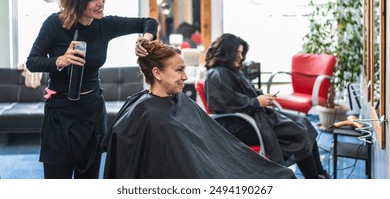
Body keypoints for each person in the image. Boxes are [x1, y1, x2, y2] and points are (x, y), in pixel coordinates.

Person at [25, 0, 158, 179]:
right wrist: (60, 60)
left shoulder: (105, 25)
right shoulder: (55, 24)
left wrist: (146, 38)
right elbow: (33, 62)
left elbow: (149, 22)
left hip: (91, 112)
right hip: (60, 113)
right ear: (77, 1)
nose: (100, 2)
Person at [103, 41, 296, 179]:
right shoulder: (151, 115)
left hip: (211, 168)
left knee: (282, 175)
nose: (185, 76)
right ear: (157, 73)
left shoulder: (178, 100)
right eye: (179, 70)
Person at [204, 33, 329, 179]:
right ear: (228, 52)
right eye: (238, 52)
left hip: (251, 116)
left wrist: (260, 97)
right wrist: (256, 102)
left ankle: (320, 174)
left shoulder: (230, 71)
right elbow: (225, 102)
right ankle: (313, 178)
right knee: (299, 133)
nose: (241, 56)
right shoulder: (217, 74)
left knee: (305, 123)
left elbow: (243, 94)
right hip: (240, 126)